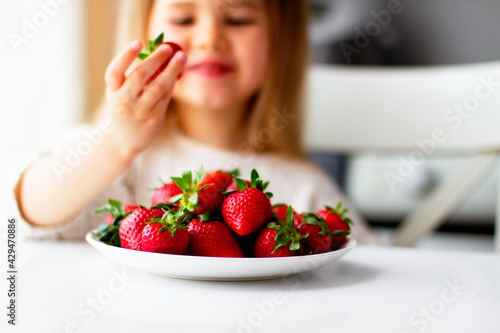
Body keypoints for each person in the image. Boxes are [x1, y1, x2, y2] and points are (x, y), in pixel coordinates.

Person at [2, 0, 376, 243]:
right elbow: (17, 217)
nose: (210, 37)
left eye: (238, 18)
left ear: (283, 41)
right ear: (144, 34)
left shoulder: (305, 191)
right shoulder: (111, 162)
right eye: (182, 18)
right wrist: (116, 144)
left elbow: (365, 273)